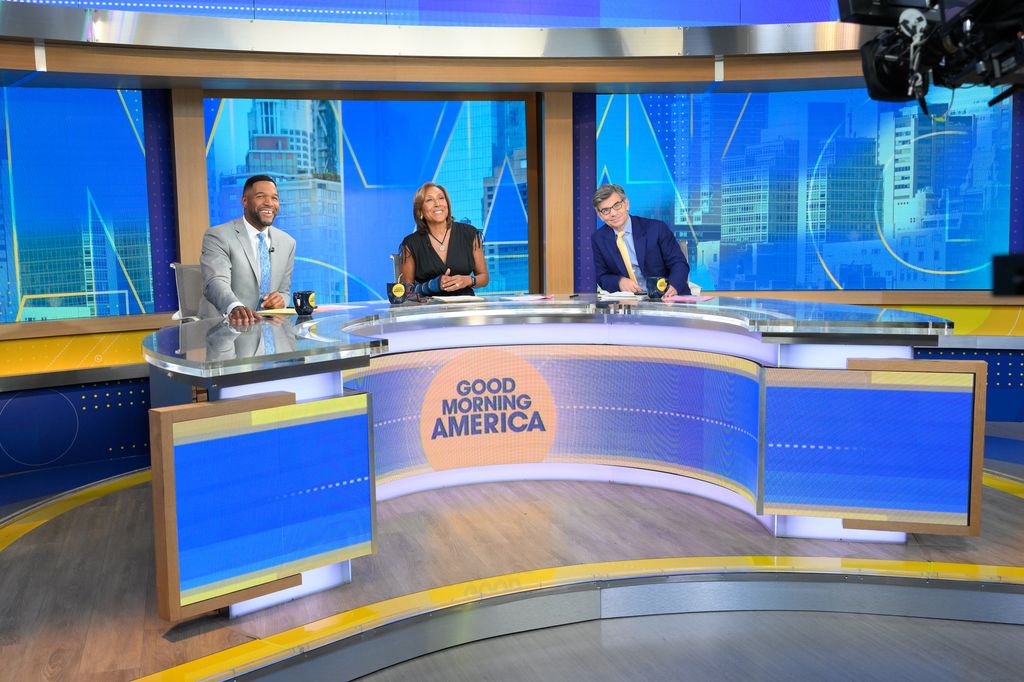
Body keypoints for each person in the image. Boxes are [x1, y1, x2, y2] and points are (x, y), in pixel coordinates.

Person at [199, 174, 296, 323]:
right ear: (245, 201)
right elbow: (215, 282)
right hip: (228, 329)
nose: (269, 203)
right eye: (260, 196)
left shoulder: (288, 242)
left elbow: (284, 291)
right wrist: (235, 307)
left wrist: (281, 299)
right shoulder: (218, 236)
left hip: (270, 329)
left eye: (274, 198)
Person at [590, 183, 690, 297]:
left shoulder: (656, 229)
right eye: (606, 210)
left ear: (626, 204)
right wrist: (619, 282)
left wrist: (674, 286)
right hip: (630, 303)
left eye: (617, 205)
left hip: (668, 298)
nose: (613, 213)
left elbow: (679, 263)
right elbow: (602, 276)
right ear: (600, 215)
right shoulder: (598, 238)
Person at [400, 182, 489, 297]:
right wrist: (433, 285)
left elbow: (484, 277)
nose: (437, 204)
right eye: (429, 200)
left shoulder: (470, 233)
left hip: (466, 308)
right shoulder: (410, 243)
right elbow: (406, 292)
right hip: (428, 311)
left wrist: (468, 280)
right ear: (420, 210)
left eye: (441, 198)